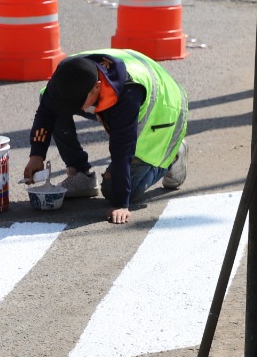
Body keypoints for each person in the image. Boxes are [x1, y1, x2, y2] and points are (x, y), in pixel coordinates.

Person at [21, 49, 189, 225]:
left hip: (166, 112)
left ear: (97, 87)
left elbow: (122, 149)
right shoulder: (67, 72)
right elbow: (47, 112)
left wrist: (121, 203)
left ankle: (173, 154)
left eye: (76, 103)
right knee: (55, 107)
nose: (70, 107)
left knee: (114, 190)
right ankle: (80, 174)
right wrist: (36, 155)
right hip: (118, 89)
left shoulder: (128, 94)